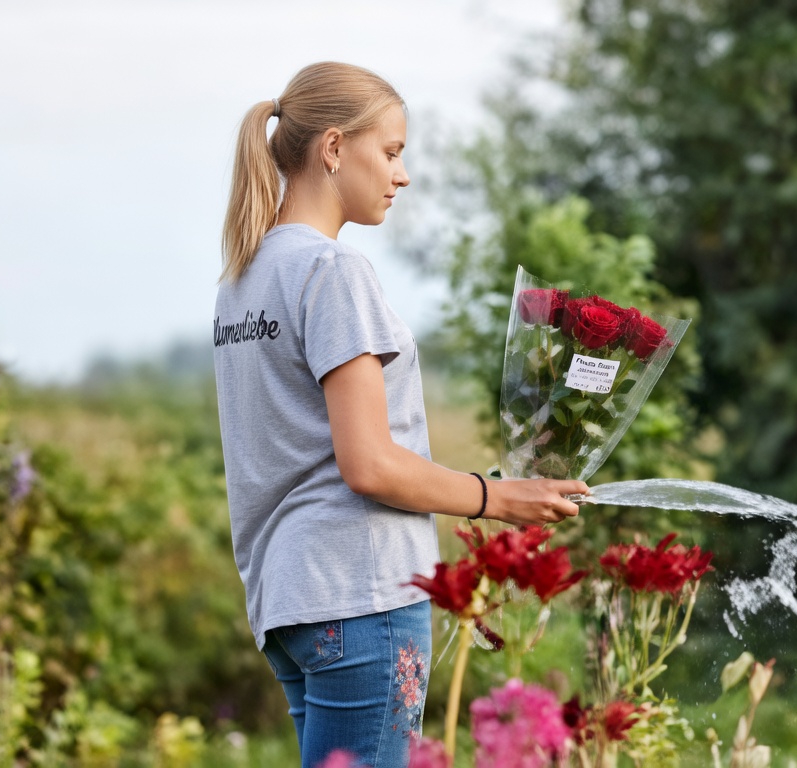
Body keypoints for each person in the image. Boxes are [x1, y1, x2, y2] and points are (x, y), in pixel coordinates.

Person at [214, 61, 587, 768]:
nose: (402, 173)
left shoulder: (243, 279)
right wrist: (497, 497)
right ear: (332, 148)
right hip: (361, 596)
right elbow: (369, 464)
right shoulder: (332, 272)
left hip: (288, 601)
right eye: (389, 151)